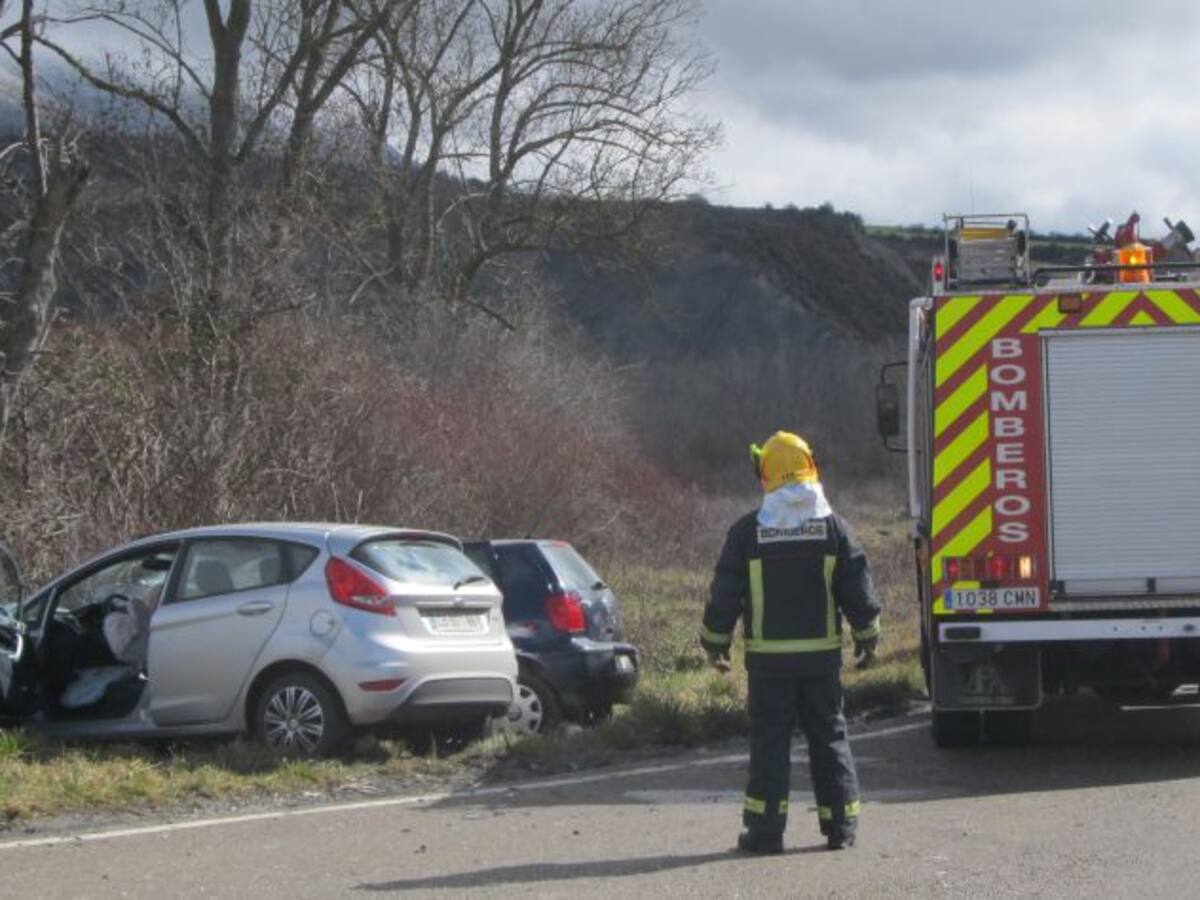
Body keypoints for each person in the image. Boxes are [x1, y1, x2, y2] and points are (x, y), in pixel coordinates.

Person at [700, 431, 881, 854]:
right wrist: (868, 637)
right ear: (810, 468)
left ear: (765, 474)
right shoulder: (835, 529)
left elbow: (725, 593)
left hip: (769, 666)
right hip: (821, 663)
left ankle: (765, 833)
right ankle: (841, 827)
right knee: (830, 739)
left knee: (769, 745)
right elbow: (857, 587)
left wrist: (716, 643)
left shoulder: (747, 533)